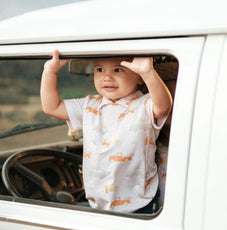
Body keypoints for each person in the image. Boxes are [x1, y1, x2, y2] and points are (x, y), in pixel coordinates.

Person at [40, 49, 172, 213]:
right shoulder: (89, 105)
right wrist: (50, 72)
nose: (107, 77)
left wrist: (148, 73)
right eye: (99, 69)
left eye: (118, 70)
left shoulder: (144, 105)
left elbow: (163, 107)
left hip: (139, 202)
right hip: (97, 202)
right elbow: (51, 107)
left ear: (138, 77)